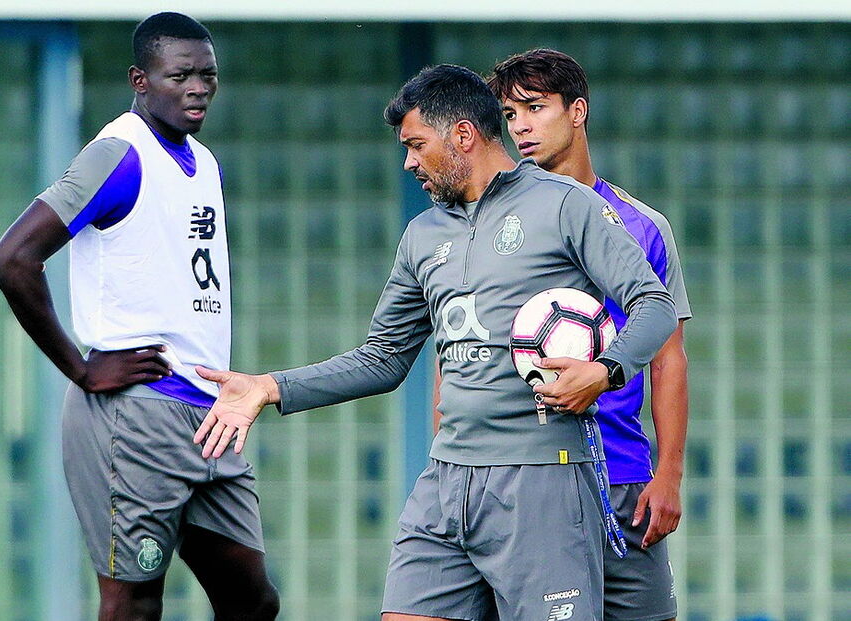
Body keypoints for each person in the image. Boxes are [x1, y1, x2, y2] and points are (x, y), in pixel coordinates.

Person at [192, 64, 677, 621]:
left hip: (542, 478)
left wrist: (606, 370)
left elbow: (655, 305)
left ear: (463, 135)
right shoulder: (423, 236)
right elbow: (383, 357)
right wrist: (270, 386)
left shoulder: (566, 205)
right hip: (446, 480)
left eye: (417, 146)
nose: (409, 163)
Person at [0, 12, 278, 621]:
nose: (198, 88)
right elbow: (12, 261)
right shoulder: (119, 155)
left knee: (252, 602)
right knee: (136, 603)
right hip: (136, 412)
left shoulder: (205, 161)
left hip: (209, 412)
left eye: (208, 75)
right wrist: (81, 369)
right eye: (180, 76)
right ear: (139, 80)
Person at [480, 48, 692, 621]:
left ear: (577, 112)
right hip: (527, 479)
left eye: (535, 108)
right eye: (510, 114)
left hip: (624, 477)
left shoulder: (643, 226)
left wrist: (668, 475)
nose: (520, 126)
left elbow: (668, 359)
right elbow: (460, 358)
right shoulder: (492, 225)